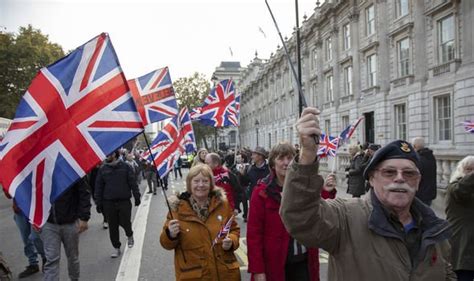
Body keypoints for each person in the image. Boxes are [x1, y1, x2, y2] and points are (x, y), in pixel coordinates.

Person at [280, 107, 456, 281]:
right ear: (371, 179)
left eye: (409, 173)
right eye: (389, 172)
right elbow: (301, 218)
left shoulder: (434, 228)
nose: (400, 179)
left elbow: (446, 272)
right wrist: (307, 155)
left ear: (418, 181)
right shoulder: (345, 218)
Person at [247, 142, 336, 281]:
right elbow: (254, 235)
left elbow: (318, 212)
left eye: (290, 158)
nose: (286, 163)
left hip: (304, 262)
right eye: (281, 158)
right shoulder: (261, 192)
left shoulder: (304, 187)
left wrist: (325, 192)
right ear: (272, 164)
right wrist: (258, 270)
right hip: (275, 264)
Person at [159, 164, 241, 280]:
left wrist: (232, 241)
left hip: (225, 275)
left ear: (211, 184)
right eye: (196, 181)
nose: (201, 185)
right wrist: (170, 234)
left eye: (205, 181)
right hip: (194, 276)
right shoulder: (177, 210)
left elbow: (234, 230)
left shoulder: (222, 204)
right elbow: (165, 244)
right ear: (189, 184)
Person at [40, 177, 91, 281]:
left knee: (72, 257)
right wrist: (33, 218)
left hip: (70, 221)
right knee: (51, 260)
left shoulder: (71, 166)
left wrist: (84, 217)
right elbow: (31, 193)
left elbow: (84, 193)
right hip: (48, 223)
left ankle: (74, 278)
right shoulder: (41, 167)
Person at [95, 151, 141, 258]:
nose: (107, 156)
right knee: (113, 226)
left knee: (125, 222)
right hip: (109, 202)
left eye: (109, 154)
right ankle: (116, 247)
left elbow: (132, 182)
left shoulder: (125, 167)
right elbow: (99, 187)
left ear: (115, 154)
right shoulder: (103, 169)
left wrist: (137, 196)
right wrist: (99, 203)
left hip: (124, 201)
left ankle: (129, 234)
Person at [3, 189, 46, 278]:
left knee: (35, 237)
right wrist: (5, 186)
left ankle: (45, 258)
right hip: (20, 209)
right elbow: (9, 195)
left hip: (34, 207)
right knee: (26, 238)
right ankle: (33, 263)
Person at [446, 156, 474, 281]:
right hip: (463, 243)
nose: (471, 172)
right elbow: (461, 190)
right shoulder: (454, 187)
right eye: (469, 169)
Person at [412, 137, 437, 206]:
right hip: (430, 193)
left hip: (420, 194)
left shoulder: (418, 159)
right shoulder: (431, 156)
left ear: (414, 146)